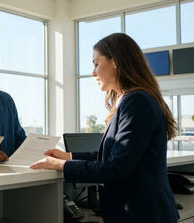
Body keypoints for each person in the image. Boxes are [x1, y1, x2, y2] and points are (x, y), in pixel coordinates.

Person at [30, 33, 179, 223]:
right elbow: (114, 157)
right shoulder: (129, 100)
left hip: (143, 214)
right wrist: (68, 157)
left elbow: (115, 169)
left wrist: (61, 166)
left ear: (115, 61)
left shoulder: (137, 101)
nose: (93, 73)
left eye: (96, 63)